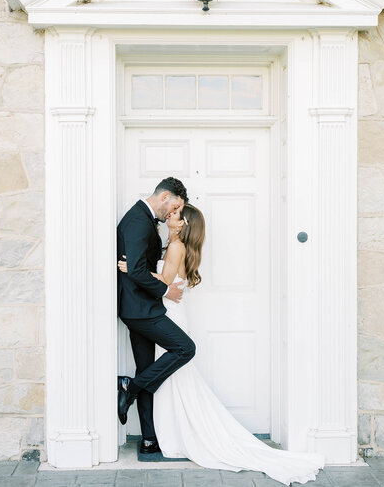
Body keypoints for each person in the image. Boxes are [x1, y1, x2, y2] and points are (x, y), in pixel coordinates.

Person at [118, 203, 326, 485]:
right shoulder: (173, 246)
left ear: (183, 225)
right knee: (173, 378)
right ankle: (158, 433)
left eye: (177, 215)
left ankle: (138, 394)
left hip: (169, 313)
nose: (171, 215)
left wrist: (133, 268)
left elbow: (166, 282)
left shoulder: (176, 247)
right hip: (166, 311)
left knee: (178, 367)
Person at [117, 177, 196, 455]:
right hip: (141, 309)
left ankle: (149, 438)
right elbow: (137, 270)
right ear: (164, 197)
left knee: (147, 371)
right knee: (185, 348)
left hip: (139, 307)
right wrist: (165, 290)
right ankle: (130, 386)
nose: (172, 214)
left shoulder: (146, 220)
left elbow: (140, 268)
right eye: (174, 206)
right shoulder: (139, 220)